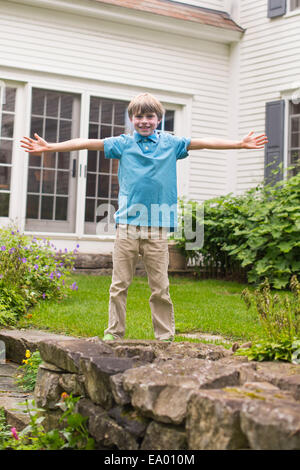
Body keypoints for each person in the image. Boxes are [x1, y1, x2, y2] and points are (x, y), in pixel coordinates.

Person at [20, 92, 268, 342]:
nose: (144, 121)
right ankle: (114, 333)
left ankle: (165, 336)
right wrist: (51, 147)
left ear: (159, 119)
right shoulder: (123, 144)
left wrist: (239, 143)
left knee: (160, 287)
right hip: (127, 226)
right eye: (139, 116)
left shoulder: (171, 144)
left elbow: (203, 142)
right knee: (119, 285)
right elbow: (86, 142)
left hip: (158, 227)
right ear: (131, 119)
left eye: (150, 116)